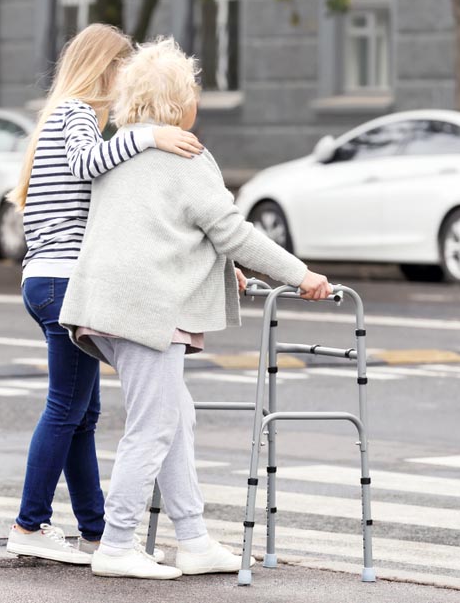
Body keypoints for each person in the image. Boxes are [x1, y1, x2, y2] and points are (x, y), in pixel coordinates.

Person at [59, 37, 331, 580]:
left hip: (102, 306)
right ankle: (116, 543)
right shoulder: (185, 154)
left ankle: (194, 538)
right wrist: (301, 275)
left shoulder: (123, 148)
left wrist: (210, 263)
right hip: (146, 310)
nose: (197, 106)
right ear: (178, 102)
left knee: (174, 417)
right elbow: (233, 232)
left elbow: (155, 227)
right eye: (194, 95)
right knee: (154, 425)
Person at [5, 24, 204, 565]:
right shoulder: (73, 113)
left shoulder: (62, 115)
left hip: (48, 278)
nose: (126, 85)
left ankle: (93, 531)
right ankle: (31, 523)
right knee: (66, 409)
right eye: (124, 70)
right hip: (64, 279)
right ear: (106, 68)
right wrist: (149, 137)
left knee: (81, 411)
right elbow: (86, 164)